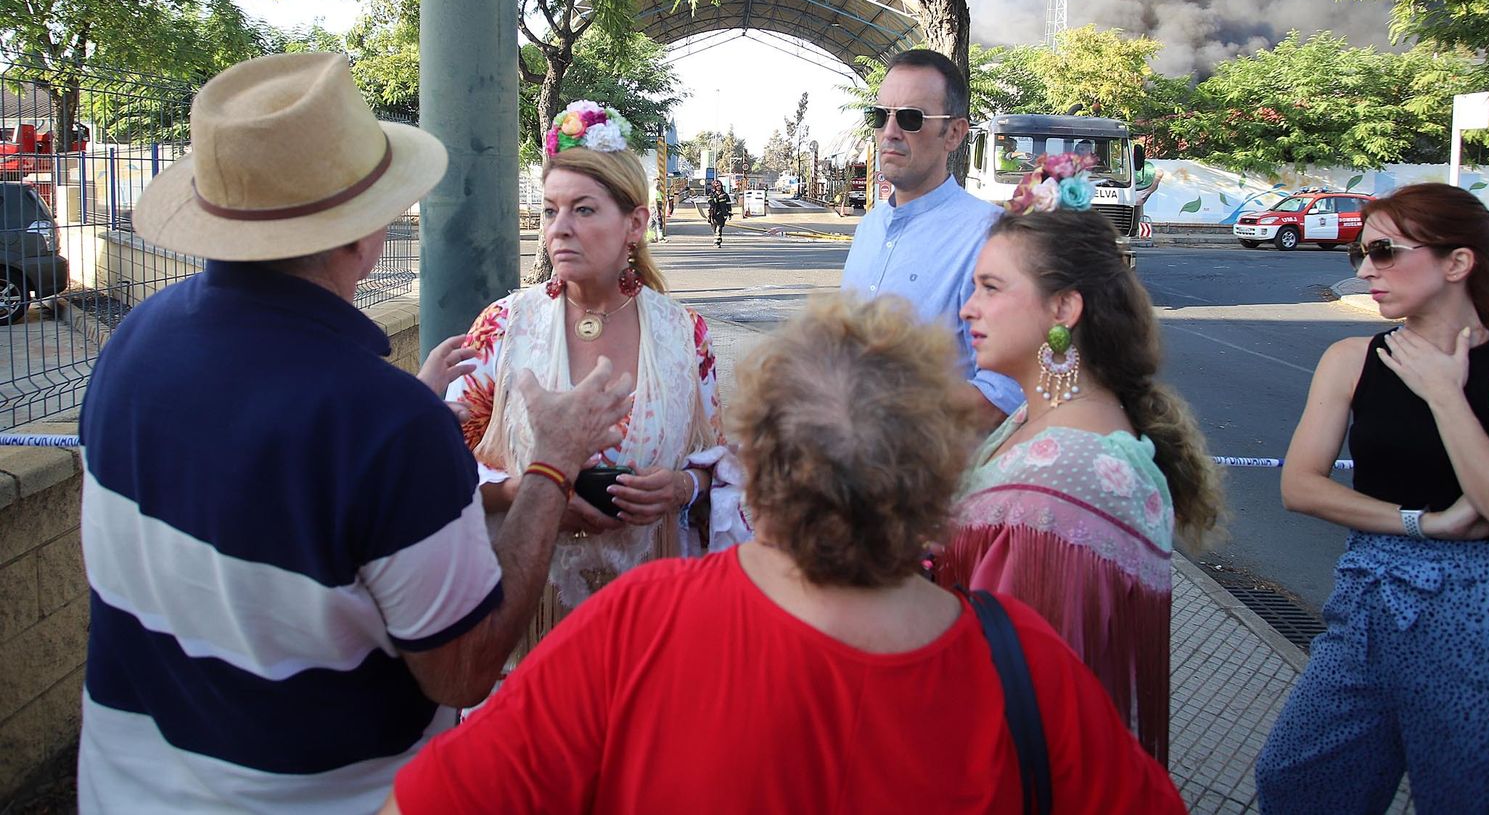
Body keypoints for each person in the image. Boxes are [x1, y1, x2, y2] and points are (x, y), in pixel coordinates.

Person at [76, 54, 632, 812]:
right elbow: (466, 667)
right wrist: (552, 467)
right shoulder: (386, 423)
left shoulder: (131, 345)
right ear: (363, 233)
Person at [382, 295, 1186, 815]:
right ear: (941, 481)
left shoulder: (641, 621)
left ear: (753, 472)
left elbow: (432, 802)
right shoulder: (1025, 663)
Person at [1256, 182, 1489, 813]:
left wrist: (1444, 394)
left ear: (1457, 263)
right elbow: (1300, 486)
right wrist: (1422, 523)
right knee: (1297, 782)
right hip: (1364, 604)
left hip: (1485, 621)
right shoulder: (1351, 358)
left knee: (1482, 799)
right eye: (1359, 251)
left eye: (1383, 251)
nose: (1365, 269)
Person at [940, 155, 1222, 765]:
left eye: (990, 288)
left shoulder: (1064, 474)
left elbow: (1011, 680)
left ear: (1064, 309)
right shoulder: (1039, 421)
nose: (968, 310)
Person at [449, 100, 736, 663]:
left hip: (650, 621)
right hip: (526, 622)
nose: (560, 229)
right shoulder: (505, 326)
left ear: (635, 223)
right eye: (552, 210)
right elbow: (443, 468)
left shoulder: (684, 335)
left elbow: (719, 462)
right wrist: (534, 493)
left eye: (583, 210)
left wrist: (683, 489)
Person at [841, 48, 1023, 431]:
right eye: (880, 116)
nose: (890, 132)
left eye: (910, 118)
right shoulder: (869, 229)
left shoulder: (993, 238)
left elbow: (1002, 395)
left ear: (954, 133)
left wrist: (884, 412)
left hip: (940, 481)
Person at [707, 177, 732, 245]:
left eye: (720, 186)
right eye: (717, 186)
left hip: (722, 214)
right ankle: (717, 239)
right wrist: (717, 198)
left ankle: (718, 242)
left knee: (719, 228)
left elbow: (728, 205)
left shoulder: (725, 195)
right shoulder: (711, 195)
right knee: (714, 229)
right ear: (714, 187)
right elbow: (711, 202)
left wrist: (729, 213)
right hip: (713, 214)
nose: (719, 187)